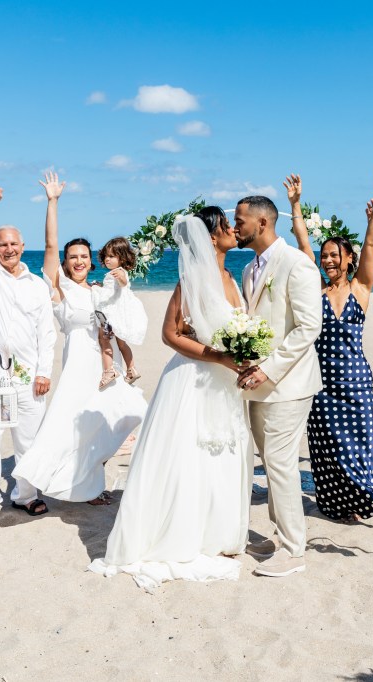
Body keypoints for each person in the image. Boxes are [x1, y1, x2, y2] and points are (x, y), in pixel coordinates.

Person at [88, 209, 251, 591]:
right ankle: (183, 534)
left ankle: (216, 535)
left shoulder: (230, 276)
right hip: (193, 379)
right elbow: (170, 334)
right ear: (212, 237)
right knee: (188, 456)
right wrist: (219, 357)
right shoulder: (191, 278)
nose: (233, 231)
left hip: (225, 384)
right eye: (227, 228)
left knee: (221, 453)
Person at [12, 171, 147, 506]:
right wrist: (53, 202)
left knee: (123, 415)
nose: (78, 261)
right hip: (77, 361)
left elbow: (121, 321)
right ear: (65, 262)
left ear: (92, 260)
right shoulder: (60, 288)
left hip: (105, 361)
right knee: (75, 424)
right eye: (73, 257)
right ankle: (80, 486)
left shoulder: (101, 290)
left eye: (84, 256)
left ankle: (89, 482)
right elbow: (50, 245)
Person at [288, 171, 373, 522]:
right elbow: (303, 246)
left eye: (336, 255)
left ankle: (359, 501)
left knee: (358, 446)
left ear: (349, 259)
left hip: (355, 384)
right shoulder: (315, 290)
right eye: (325, 256)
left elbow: (372, 247)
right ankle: (334, 504)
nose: (329, 260)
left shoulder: (361, 290)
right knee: (326, 448)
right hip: (320, 383)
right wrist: (296, 204)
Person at [234, 195, 322, 578]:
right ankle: (276, 535)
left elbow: (308, 327)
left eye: (240, 221)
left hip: (288, 385)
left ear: (263, 223)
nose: (235, 227)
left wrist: (268, 369)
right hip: (255, 383)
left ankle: (293, 548)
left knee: (282, 466)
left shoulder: (297, 264)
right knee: (269, 465)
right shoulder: (250, 269)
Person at [0, 186, 57, 519]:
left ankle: (26, 494)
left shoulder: (37, 285)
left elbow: (46, 333)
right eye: (1, 244)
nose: (8, 249)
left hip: (29, 374)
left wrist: (44, 371)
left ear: (22, 247)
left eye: (13, 243)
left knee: (29, 439)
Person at [92, 237, 147, 389]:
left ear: (122, 258)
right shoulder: (114, 273)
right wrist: (101, 285)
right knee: (122, 343)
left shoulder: (118, 273)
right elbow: (112, 289)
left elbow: (122, 284)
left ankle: (109, 371)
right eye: (106, 256)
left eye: (111, 256)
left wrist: (121, 279)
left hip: (112, 314)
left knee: (104, 340)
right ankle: (131, 368)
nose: (107, 259)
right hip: (118, 313)